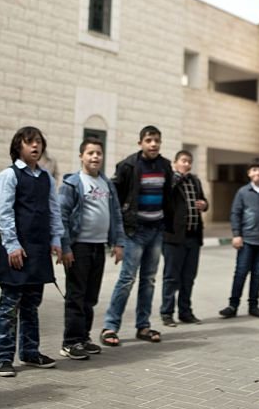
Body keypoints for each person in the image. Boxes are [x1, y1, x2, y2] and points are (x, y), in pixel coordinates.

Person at [0, 126, 63, 378]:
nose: (35, 146)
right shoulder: (10, 175)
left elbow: (54, 211)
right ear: (18, 146)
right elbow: (4, 213)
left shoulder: (47, 178)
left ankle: (30, 352)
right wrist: (12, 245)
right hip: (16, 250)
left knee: (32, 304)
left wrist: (56, 240)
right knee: (10, 305)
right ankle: (2, 357)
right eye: (29, 142)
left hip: (39, 251)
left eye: (39, 142)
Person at [100, 126, 174, 346]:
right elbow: (115, 198)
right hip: (134, 232)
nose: (153, 144)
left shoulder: (165, 166)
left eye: (157, 140)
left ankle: (143, 326)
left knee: (149, 280)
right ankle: (110, 327)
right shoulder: (128, 165)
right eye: (149, 140)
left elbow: (168, 196)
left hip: (156, 231)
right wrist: (117, 235)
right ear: (140, 142)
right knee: (127, 280)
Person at [57, 137, 124, 360]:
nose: (95, 157)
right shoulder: (73, 183)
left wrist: (118, 242)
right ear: (81, 156)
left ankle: (83, 337)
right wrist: (65, 246)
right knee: (76, 294)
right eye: (90, 153)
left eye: (98, 153)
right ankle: (70, 342)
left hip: (98, 247)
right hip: (78, 247)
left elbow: (115, 215)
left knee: (90, 296)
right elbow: (62, 216)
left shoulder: (107, 184)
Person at [219, 157, 259, 319]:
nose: (258, 173)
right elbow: (235, 214)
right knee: (240, 272)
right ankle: (233, 306)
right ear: (249, 173)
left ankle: (253, 306)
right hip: (246, 240)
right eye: (254, 170)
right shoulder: (242, 192)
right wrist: (236, 235)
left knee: (257, 273)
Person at [160, 149, 209, 327]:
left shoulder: (195, 181)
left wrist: (204, 205)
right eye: (183, 161)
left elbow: (203, 201)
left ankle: (185, 312)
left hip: (193, 237)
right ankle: (166, 313)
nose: (187, 164)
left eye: (189, 161)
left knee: (188, 277)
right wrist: (177, 178)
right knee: (172, 277)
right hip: (173, 237)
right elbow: (166, 197)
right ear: (175, 163)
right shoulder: (170, 180)